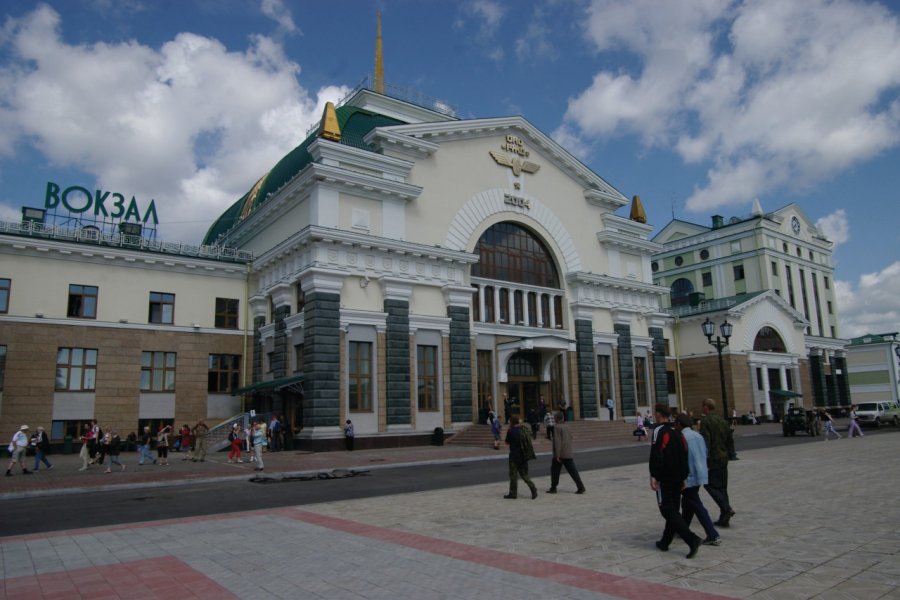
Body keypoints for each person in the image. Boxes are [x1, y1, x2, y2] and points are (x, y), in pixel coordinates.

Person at [649, 403, 702, 559]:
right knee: (673, 509)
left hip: (665, 477)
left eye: (655, 413)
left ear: (659, 414)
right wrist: (685, 476)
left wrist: (653, 475)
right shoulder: (678, 432)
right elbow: (685, 453)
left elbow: (656, 454)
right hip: (679, 477)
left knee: (667, 510)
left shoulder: (659, 430)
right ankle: (665, 542)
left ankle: (691, 539)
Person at [674, 415, 720, 546]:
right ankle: (682, 529)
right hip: (700, 473)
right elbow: (705, 452)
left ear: (679, 424)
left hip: (689, 475)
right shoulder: (698, 436)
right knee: (688, 502)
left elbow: (681, 458)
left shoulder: (682, 437)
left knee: (695, 503)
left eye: (675, 424)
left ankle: (712, 534)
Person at [700, 398, 735, 528]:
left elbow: (706, 442)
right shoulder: (723, 421)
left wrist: (704, 459)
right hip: (724, 457)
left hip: (713, 459)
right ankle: (724, 518)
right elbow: (729, 439)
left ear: (706, 407)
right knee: (722, 487)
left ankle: (726, 508)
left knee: (709, 484)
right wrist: (731, 453)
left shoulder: (706, 421)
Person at [546, 411, 585, 494]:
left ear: (557, 418)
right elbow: (571, 437)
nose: (554, 419)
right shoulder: (567, 426)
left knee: (555, 471)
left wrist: (557, 454)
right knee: (573, 471)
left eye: (554, 418)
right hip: (568, 452)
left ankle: (553, 487)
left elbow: (557, 442)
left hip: (560, 454)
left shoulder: (557, 427)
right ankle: (580, 486)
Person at [503, 416, 537, 500]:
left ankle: (513, 493)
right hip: (524, 456)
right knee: (524, 475)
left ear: (511, 422)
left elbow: (506, 442)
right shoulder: (523, 430)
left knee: (513, 476)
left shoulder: (511, 431)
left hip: (514, 456)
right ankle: (533, 488)